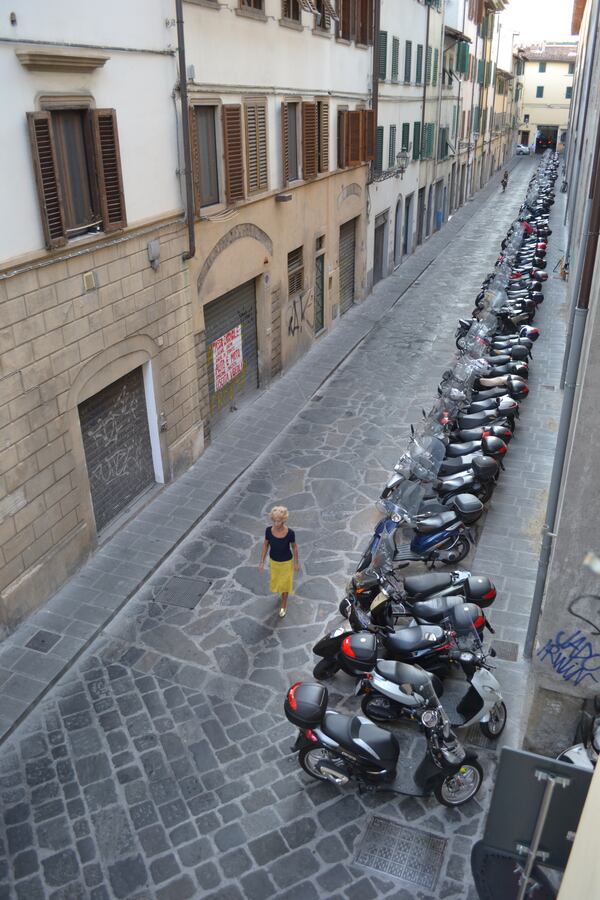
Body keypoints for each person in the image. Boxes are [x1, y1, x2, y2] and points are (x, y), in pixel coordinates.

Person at [258, 506, 299, 618]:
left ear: (284, 520)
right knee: (277, 582)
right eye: (275, 520)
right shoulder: (268, 531)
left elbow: (294, 547)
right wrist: (261, 562)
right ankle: (283, 596)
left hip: (286, 563)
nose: (276, 523)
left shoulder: (290, 533)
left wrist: (296, 562)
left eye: (279, 521)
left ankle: (283, 605)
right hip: (274, 562)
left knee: (285, 585)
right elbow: (265, 545)